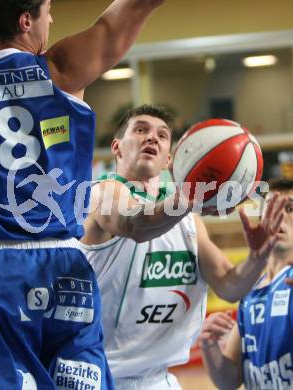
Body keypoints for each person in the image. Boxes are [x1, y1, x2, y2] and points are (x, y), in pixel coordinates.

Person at [0, 1, 169, 388]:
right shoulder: (62, 68)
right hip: (66, 268)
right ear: (25, 20)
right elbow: (125, 16)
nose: (52, 18)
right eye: (47, 10)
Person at [80, 104, 287, 390]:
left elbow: (229, 287)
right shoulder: (102, 194)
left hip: (159, 379)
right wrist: (193, 193)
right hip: (96, 377)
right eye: (140, 130)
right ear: (117, 147)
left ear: (169, 160)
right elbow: (136, 224)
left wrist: (257, 258)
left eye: (162, 135)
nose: (152, 137)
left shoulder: (188, 222)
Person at [199, 179, 293, 390]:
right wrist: (209, 345)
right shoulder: (250, 290)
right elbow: (230, 380)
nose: (279, 216)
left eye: (290, 208)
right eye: (272, 208)